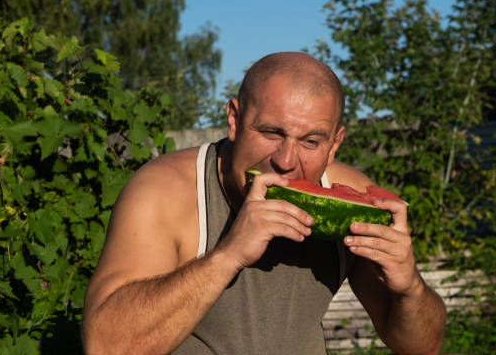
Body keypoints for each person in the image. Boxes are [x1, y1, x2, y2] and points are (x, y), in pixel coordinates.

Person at [81, 52, 446, 354]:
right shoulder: (166, 190)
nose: (286, 161)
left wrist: (409, 287)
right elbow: (104, 346)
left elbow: (421, 347)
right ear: (235, 120)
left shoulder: (352, 197)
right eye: (272, 133)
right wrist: (228, 255)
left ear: (335, 144)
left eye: (311, 142)